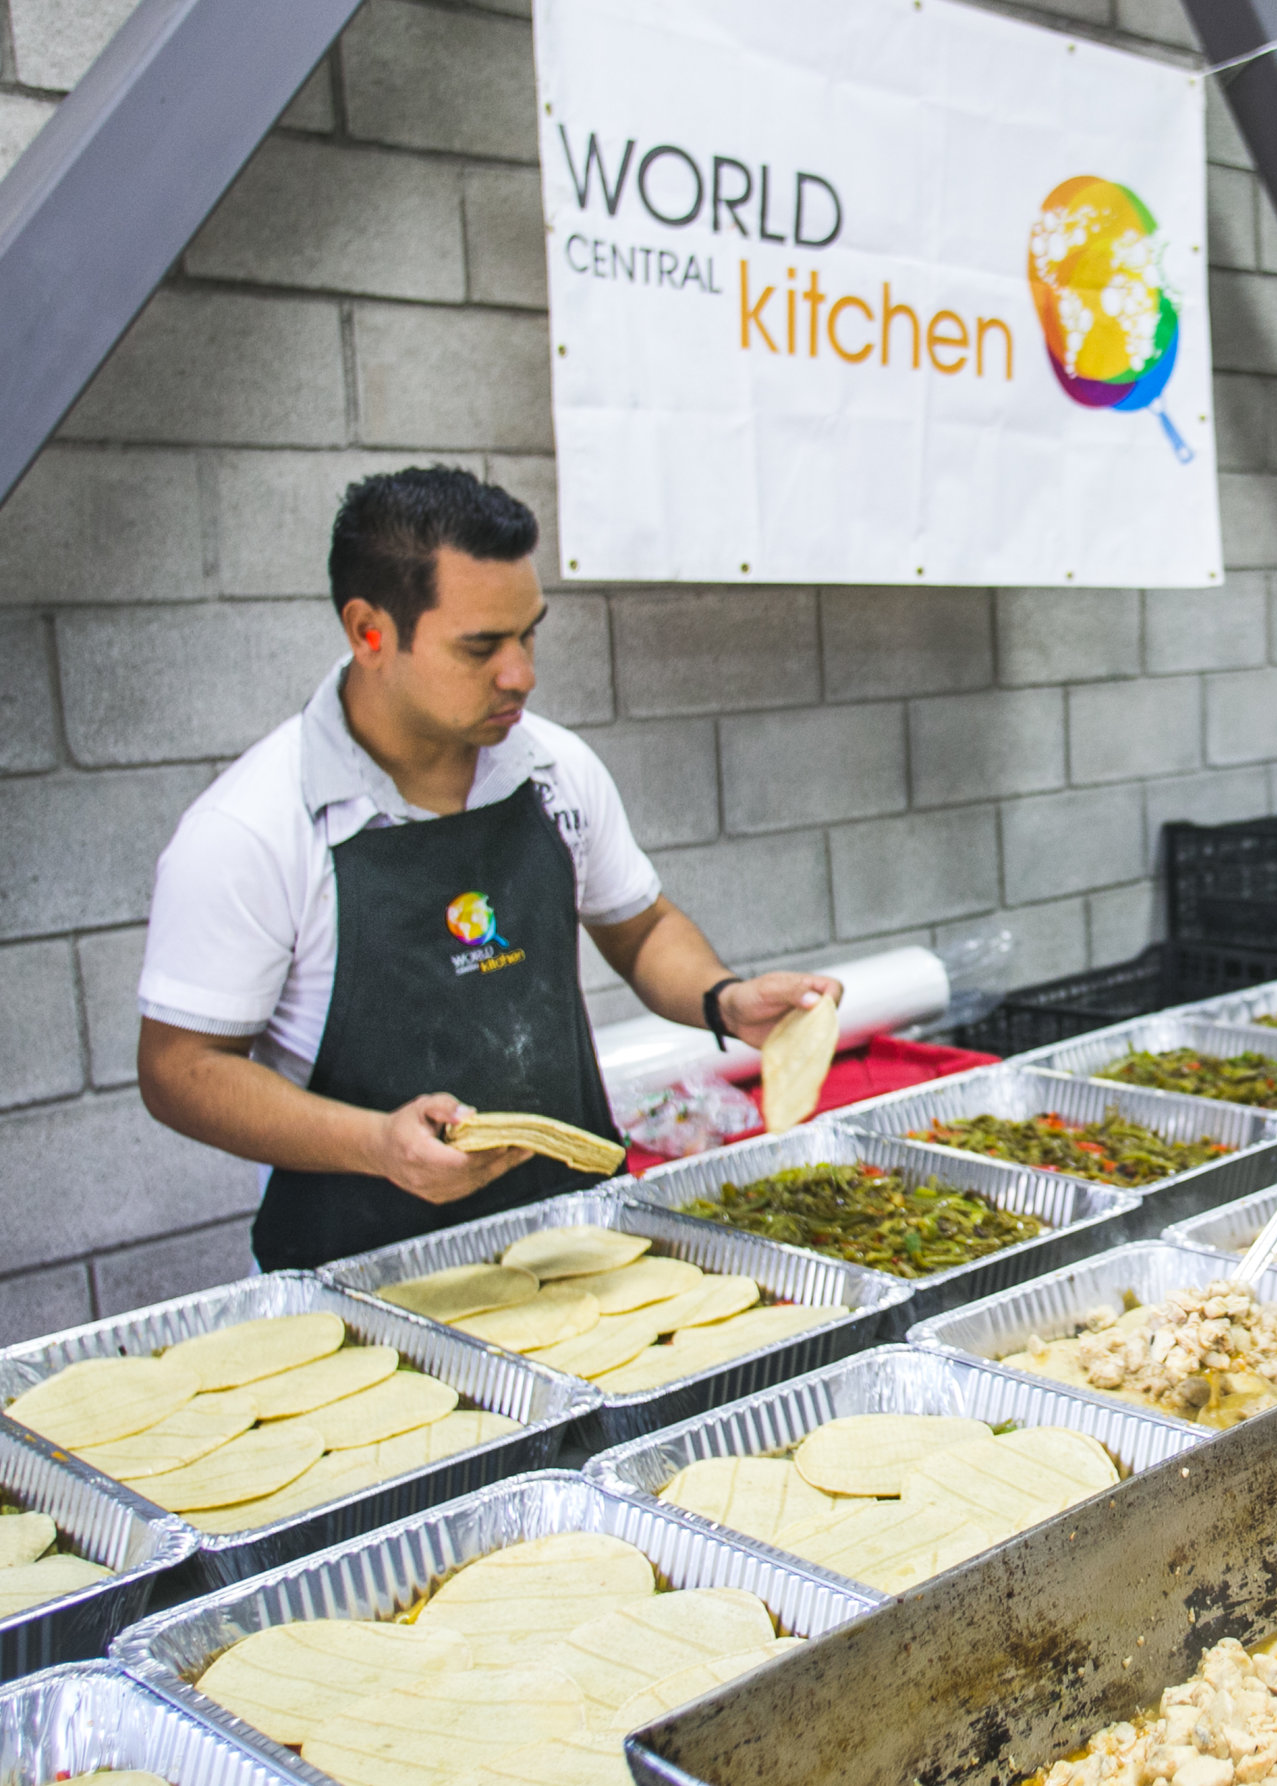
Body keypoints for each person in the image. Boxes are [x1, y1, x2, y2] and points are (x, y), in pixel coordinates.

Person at [136, 466, 837, 1271]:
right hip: (367, 1275)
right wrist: (377, 1144)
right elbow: (180, 1069)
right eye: (481, 647)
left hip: (578, 1246)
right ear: (369, 632)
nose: (522, 675)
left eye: (528, 633)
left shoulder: (553, 769)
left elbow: (639, 927)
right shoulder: (252, 829)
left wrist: (722, 997)